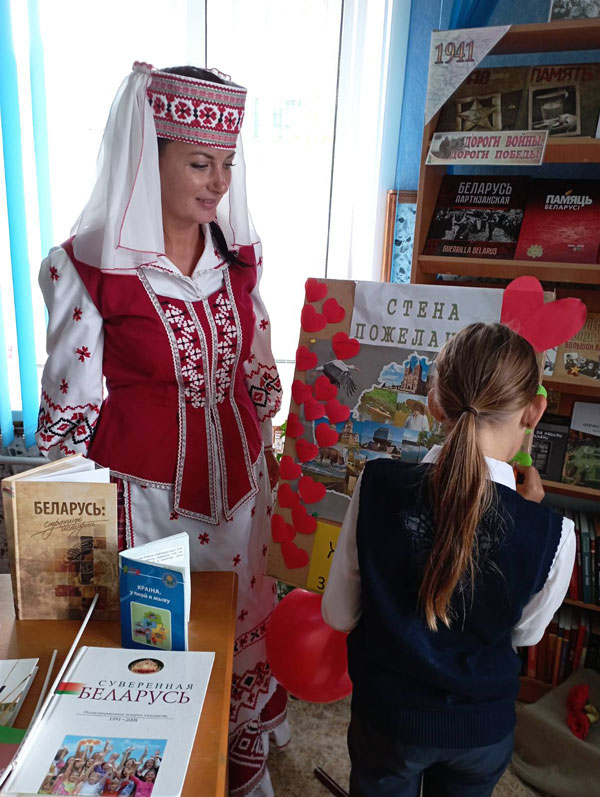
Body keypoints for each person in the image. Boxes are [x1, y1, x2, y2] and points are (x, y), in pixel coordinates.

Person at [36, 62, 288, 796]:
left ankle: (240, 734)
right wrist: (67, 529)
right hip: (143, 498)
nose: (219, 183)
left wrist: (272, 431)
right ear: (150, 159)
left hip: (241, 490)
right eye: (200, 163)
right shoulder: (90, 267)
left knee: (240, 610)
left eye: (228, 164)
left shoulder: (235, 258)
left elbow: (254, 361)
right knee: (158, 634)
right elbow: (71, 404)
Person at [322, 323, 576, 797]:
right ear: (535, 411)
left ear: (435, 403)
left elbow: (338, 614)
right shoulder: (554, 534)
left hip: (388, 720)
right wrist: (524, 519)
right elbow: (524, 634)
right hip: (481, 730)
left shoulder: (376, 486)